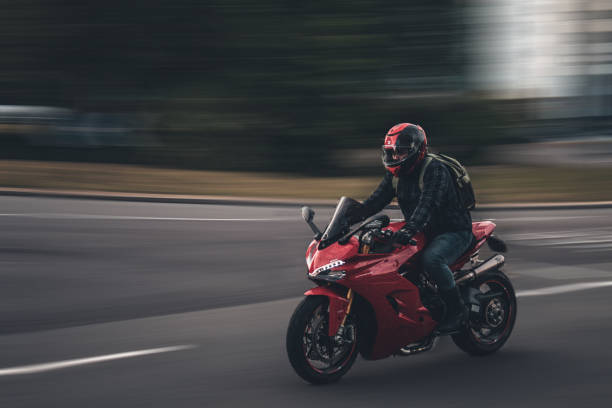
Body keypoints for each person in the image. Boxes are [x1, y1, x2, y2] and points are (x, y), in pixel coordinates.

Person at [358, 123, 474, 334]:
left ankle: (457, 311)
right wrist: (348, 218)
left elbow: (428, 204)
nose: (394, 157)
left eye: (400, 151)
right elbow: (374, 202)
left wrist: (409, 229)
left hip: (453, 230)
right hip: (422, 230)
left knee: (432, 260)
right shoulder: (394, 175)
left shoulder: (435, 170)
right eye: (390, 152)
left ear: (418, 150)